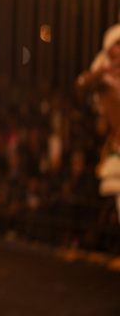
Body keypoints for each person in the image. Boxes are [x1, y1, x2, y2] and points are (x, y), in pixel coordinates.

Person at [77, 23, 120, 225]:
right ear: (108, 47)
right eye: (118, 44)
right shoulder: (102, 74)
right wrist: (107, 68)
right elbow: (84, 83)